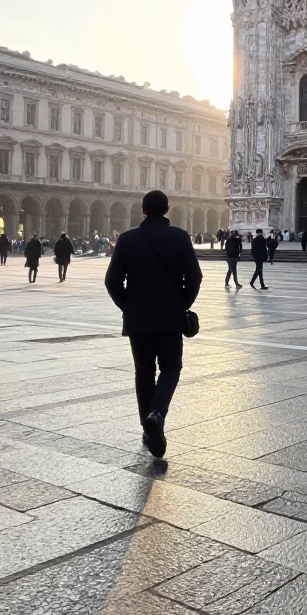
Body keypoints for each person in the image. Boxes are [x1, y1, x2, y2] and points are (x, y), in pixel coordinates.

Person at [105, 191, 201, 459]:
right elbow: (195, 277)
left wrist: (129, 306)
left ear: (143, 210)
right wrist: (181, 305)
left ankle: (148, 429)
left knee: (143, 372)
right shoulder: (180, 237)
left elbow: (112, 282)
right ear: (167, 209)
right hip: (170, 319)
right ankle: (156, 415)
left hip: (138, 321)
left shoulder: (127, 239)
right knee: (171, 368)